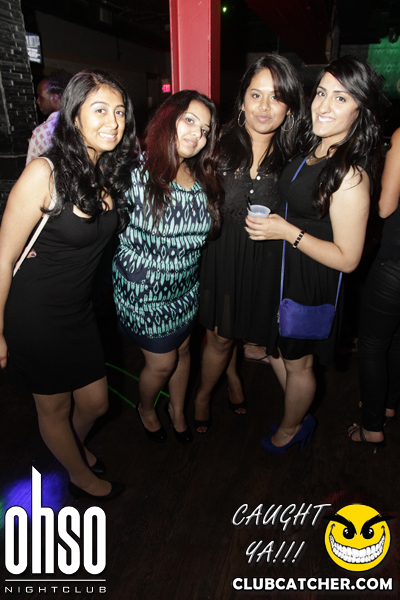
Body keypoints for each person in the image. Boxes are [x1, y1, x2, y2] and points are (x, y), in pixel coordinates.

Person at [0, 70, 139, 498]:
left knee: (97, 403)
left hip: (78, 311)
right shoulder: (43, 173)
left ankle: (68, 451)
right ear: (74, 116)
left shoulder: (108, 172)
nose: (113, 121)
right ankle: (78, 473)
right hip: (35, 314)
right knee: (55, 408)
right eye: (100, 110)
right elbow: (3, 257)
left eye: (120, 111)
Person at [245, 56, 384, 453]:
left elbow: (349, 259)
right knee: (277, 350)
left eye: (340, 98)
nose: (323, 105)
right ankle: (299, 412)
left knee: (299, 363)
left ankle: (292, 429)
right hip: (287, 270)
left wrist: (286, 231)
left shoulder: (350, 175)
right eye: (321, 93)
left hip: (310, 281)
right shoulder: (317, 148)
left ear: (360, 110)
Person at [195, 55, 304, 432]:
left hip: (266, 261)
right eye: (256, 95)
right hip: (222, 257)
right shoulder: (214, 146)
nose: (264, 106)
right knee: (222, 339)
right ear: (241, 100)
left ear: (289, 107)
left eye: (276, 97)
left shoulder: (294, 159)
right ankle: (204, 395)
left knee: (253, 337)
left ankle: (234, 377)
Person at [112, 90, 223, 444]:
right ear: (168, 119)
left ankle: (177, 411)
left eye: (205, 129)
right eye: (189, 120)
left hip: (185, 290)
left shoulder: (203, 176)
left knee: (184, 351)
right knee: (162, 364)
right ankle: (146, 407)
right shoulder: (135, 173)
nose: (197, 134)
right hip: (144, 293)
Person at [351, 127, 400, 448]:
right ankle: (387, 404)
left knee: (372, 345)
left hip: (395, 262)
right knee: (397, 338)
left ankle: (371, 427)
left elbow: (385, 207)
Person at [26, 70, 72, 164]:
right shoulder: (80, 122)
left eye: (40, 96)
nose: (37, 101)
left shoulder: (42, 132)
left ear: (55, 98)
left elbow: (32, 168)